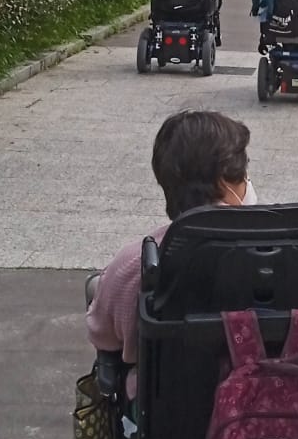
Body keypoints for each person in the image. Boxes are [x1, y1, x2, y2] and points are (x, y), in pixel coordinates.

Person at [86, 110, 257, 376]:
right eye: (244, 173)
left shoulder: (134, 265)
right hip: (280, 398)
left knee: (95, 286)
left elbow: (104, 338)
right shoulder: (292, 251)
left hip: (169, 398)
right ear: (224, 180)